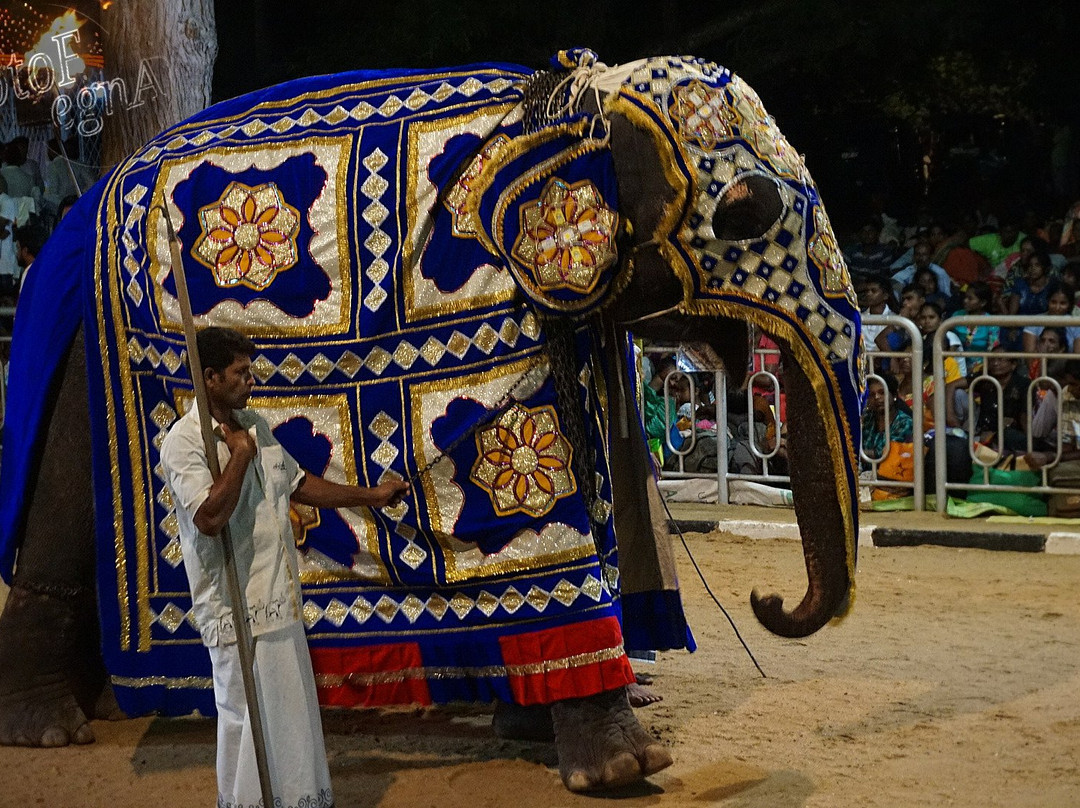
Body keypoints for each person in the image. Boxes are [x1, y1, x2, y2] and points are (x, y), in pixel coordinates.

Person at [159, 327, 410, 808]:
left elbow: (297, 484)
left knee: (290, 715)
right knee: (245, 720)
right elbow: (209, 518)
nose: (250, 381)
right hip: (234, 607)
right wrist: (238, 458)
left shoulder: (254, 424)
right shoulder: (184, 443)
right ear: (210, 378)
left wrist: (371, 497)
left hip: (278, 599)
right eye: (240, 372)